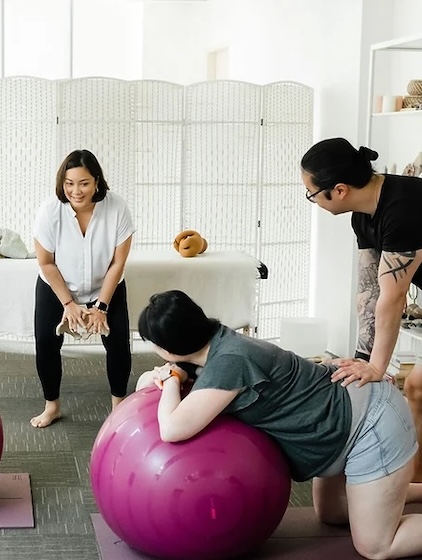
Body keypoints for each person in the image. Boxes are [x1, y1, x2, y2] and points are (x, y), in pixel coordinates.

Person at [136, 290, 422, 560]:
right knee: (331, 514)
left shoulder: (228, 362)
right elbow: (143, 387)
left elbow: (172, 429)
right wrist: (164, 374)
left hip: (369, 424)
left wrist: (172, 379)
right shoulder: (216, 347)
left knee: (376, 545)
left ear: (167, 348)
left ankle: (386, 500)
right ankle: (400, 491)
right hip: (337, 425)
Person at [301, 137, 422, 479]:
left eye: (311, 193)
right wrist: (362, 360)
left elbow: (392, 298)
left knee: (416, 383)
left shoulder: (403, 208)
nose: (312, 201)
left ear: (338, 190)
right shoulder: (363, 217)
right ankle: (414, 483)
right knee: (417, 387)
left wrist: (377, 368)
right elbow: (368, 292)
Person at [30, 149, 135, 428]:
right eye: (69, 183)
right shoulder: (50, 211)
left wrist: (101, 306)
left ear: (97, 181)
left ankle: (118, 406)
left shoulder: (117, 208)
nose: (76, 191)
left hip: (106, 285)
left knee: (119, 344)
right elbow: (46, 262)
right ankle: (51, 406)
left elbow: (118, 263)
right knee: (46, 343)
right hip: (57, 286)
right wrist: (68, 303)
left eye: (84, 183)